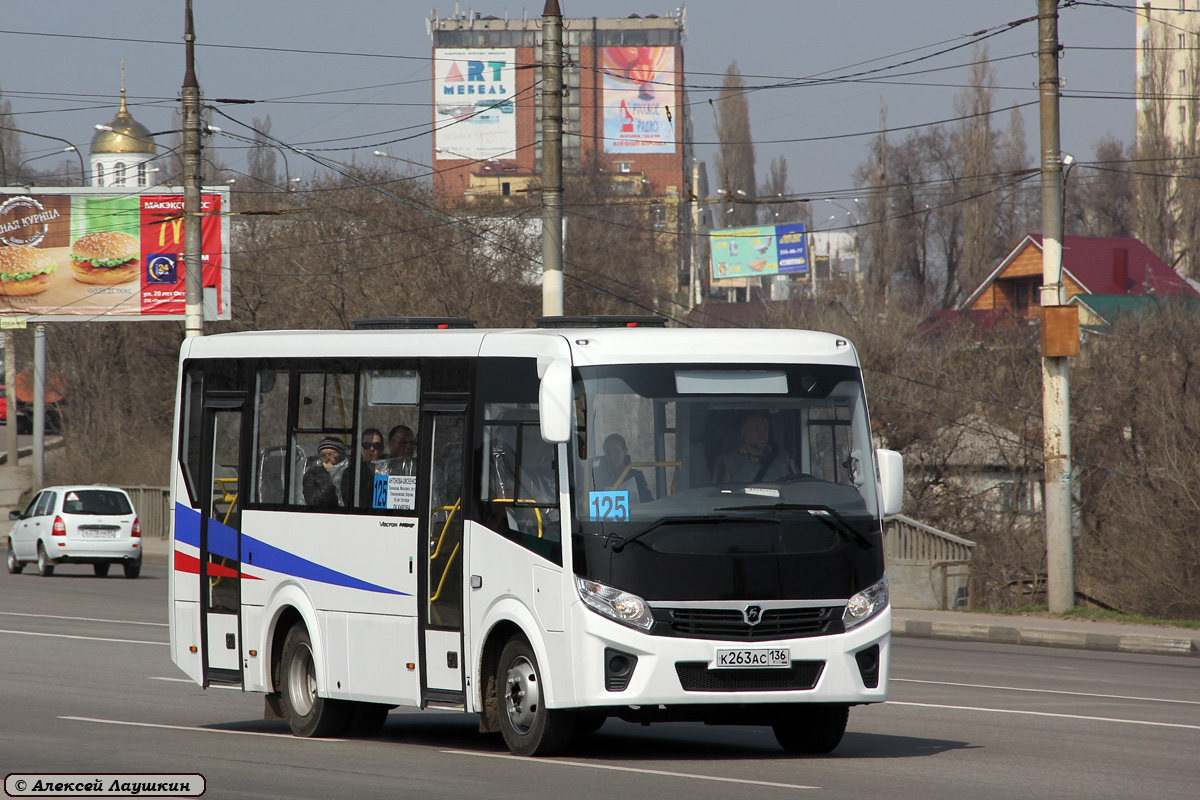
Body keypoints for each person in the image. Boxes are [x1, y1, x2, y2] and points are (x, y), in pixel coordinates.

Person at [713, 412, 796, 484]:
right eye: (756, 429)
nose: (762, 434)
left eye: (765, 429)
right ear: (743, 432)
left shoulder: (784, 458)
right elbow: (719, 494)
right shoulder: (727, 460)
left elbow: (799, 485)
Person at [594, 433, 652, 502]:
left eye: (616, 452)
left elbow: (647, 501)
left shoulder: (637, 476)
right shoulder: (596, 476)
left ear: (625, 451)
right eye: (608, 452)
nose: (612, 456)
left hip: (633, 512)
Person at [302, 437, 349, 508]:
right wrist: (330, 474)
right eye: (323, 455)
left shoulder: (351, 472)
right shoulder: (312, 475)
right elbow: (314, 501)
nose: (327, 458)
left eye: (332, 454)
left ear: (341, 455)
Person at [357, 428, 386, 507]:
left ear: (382, 448)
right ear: (360, 447)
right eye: (366, 445)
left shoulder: (388, 470)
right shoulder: (353, 471)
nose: (371, 449)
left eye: (376, 446)